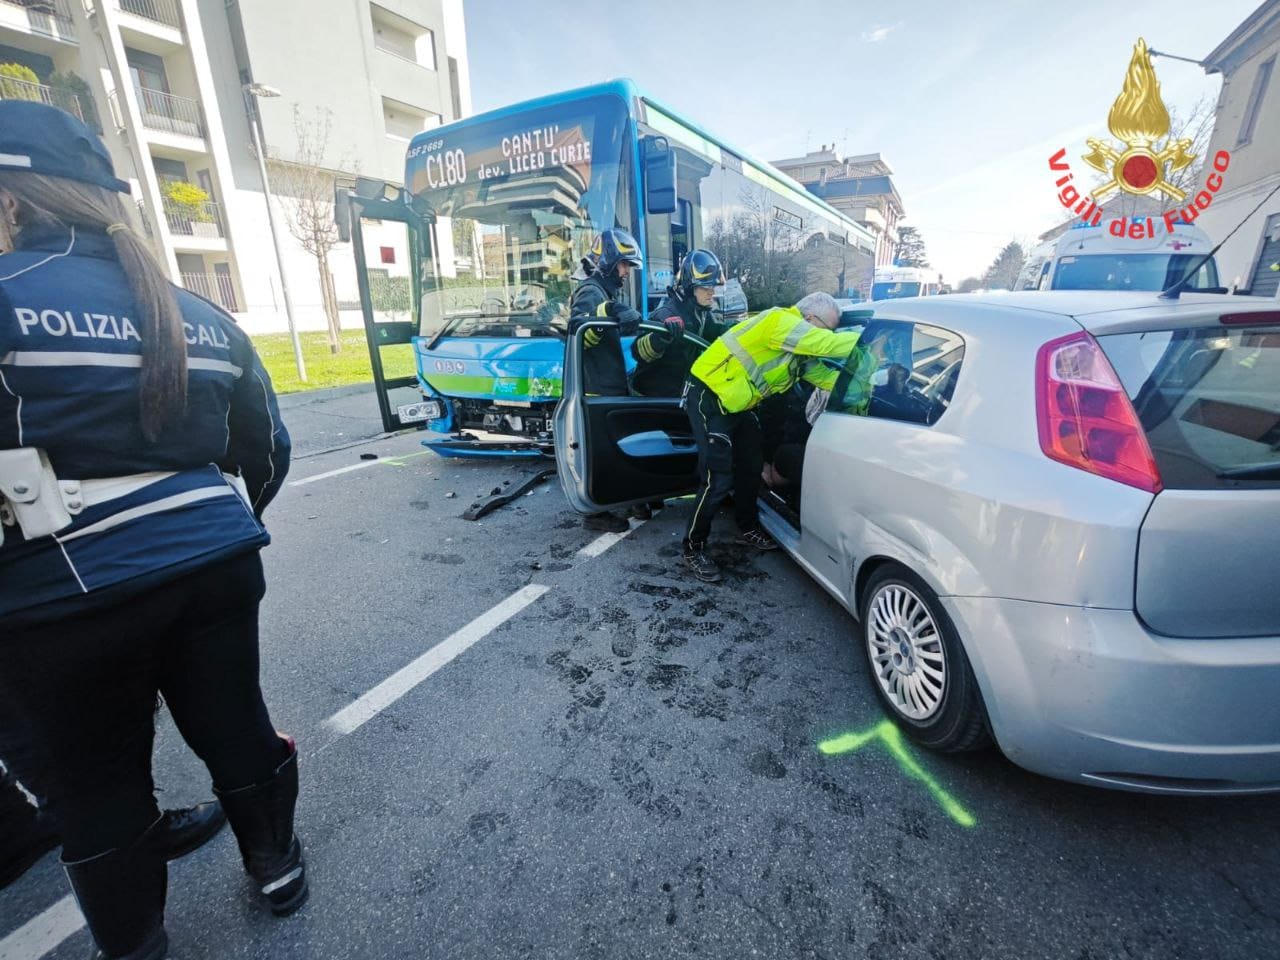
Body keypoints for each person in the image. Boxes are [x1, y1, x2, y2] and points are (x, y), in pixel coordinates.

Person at [0, 102, 304, 960]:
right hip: (213, 561)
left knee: (97, 785)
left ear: (13, 202)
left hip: (59, 594)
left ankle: (136, 946)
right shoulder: (204, 316)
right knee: (237, 725)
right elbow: (269, 452)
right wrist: (205, 528)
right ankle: (276, 867)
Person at [681, 292, 870, 583]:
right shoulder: (779, 320)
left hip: (738, 404)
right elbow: (827, 345)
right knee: (717, 477)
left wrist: (870, 384)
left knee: (751, 465)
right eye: (828, 328)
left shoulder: (798, 350)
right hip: (709, 396)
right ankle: (693, 547)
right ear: (809, 319)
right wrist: (872, 341)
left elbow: (827, 379)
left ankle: (748, 525)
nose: (830, 334)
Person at [567, 228, 643, 533]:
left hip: (607, 386)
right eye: (624, 265)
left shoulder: (602, 292)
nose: (626, 272)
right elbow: (578, 334)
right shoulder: (591, 292)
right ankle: (596, 514)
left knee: (613, 451)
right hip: (595, 389)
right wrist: (608, 310)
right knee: (597, 456)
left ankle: (629, 496)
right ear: (609, 262)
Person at [630, 248, 727, 398]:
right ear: (690, 288)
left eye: (713, 286)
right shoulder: (666, 315)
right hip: (652, 403)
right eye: (706, 286)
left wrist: (746, 327)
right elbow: (638, 352)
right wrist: (661, 337)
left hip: (679, 398)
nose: (712, 292)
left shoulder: (701, 314)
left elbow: (720, 330)